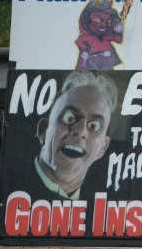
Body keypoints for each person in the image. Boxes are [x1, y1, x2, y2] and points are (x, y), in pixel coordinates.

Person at [34, 71, 118, 200]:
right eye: (69, 118)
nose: (80, 131)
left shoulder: (102, 209)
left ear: (102, 148)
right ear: (43, 131)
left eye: (94, 126)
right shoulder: (12, 184)